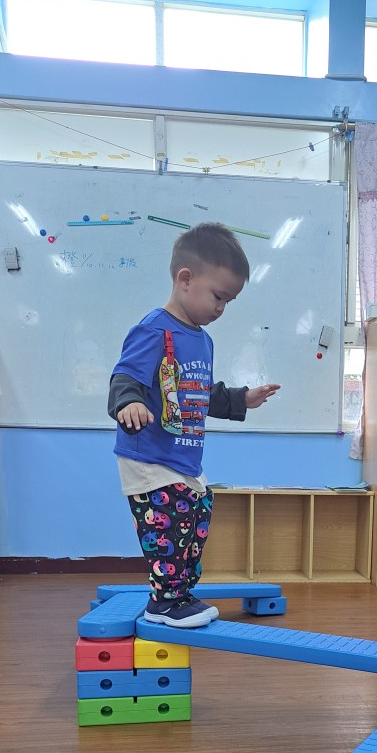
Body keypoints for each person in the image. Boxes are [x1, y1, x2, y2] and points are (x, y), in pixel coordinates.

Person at [108, 222, 279, 628]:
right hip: (148, 456)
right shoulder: (154, 329)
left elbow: (202, 393)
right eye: (218, 297)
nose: (221, 309)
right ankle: (164, 602)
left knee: (197, 519)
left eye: (228, 301)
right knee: (168, 526)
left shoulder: (202, 340)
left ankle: (180, 594)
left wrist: (241, 399)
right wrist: (130, 402)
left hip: (183, 458)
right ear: (185, 279)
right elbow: (125, 376)